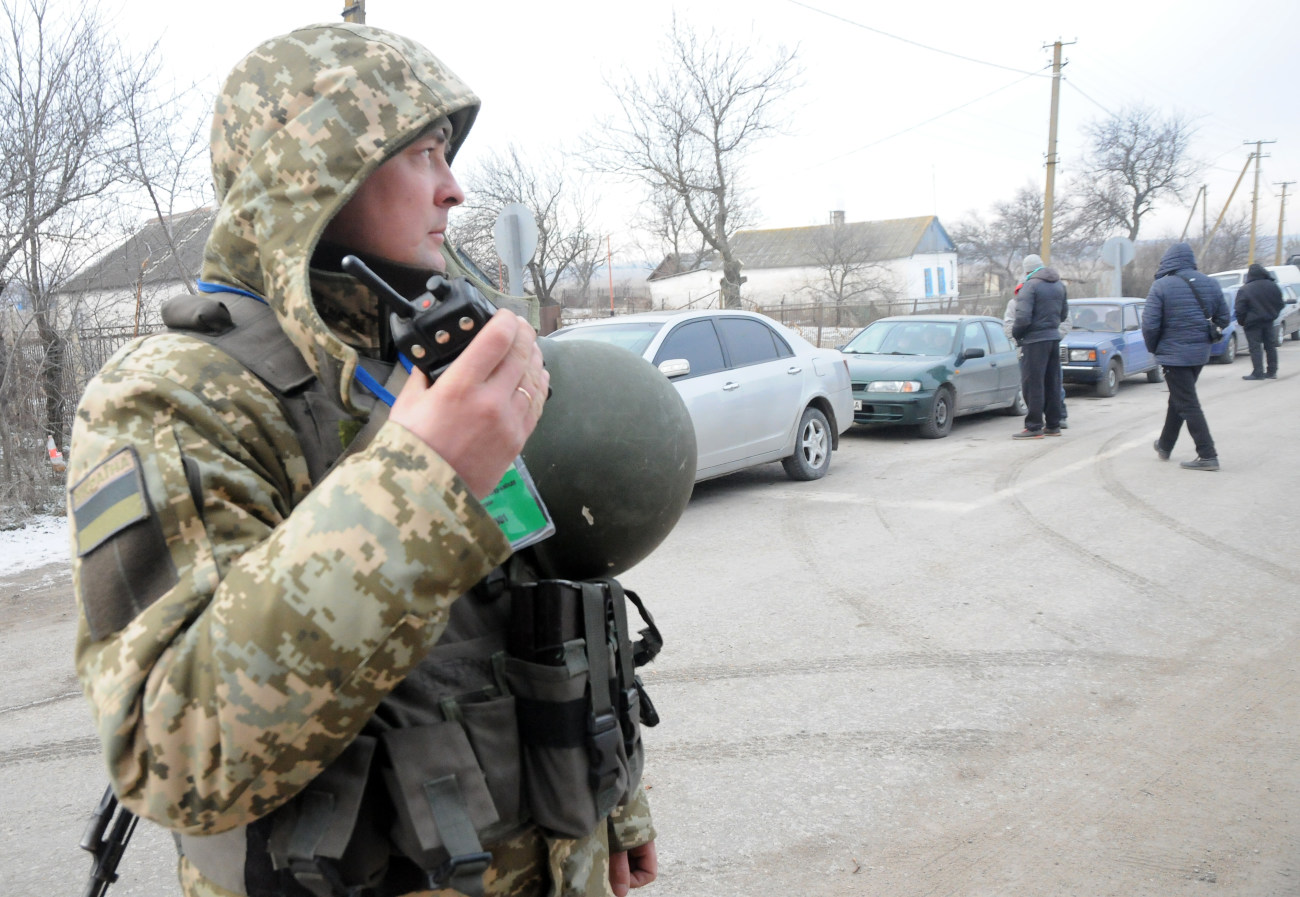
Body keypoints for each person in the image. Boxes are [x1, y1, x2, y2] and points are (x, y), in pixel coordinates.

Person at [66, 23, 657, 897]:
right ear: (317, 175)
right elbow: (174, 750)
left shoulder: (435, 348)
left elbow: (555, 596)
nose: (454, 190)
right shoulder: (177, 395)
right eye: (422, 153)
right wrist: (423, 483)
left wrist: (616, 801)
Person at [1142, 242, 1229, 471]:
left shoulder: (1161, 286)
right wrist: (1205, 337)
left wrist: (1155, 349)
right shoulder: (1211, 283)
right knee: (1179, 398)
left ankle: (1207, 454)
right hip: (1200, 354)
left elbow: (1150, 325)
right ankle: (1165, 444)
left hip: (1173, 355)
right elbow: (1224, 318)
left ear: (1167, 261)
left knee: (1187, 403)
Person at [1010, 253, 1068, 438]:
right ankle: (1053, 425)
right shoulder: (1059, 285)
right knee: (1052, 382)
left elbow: (1022, 317)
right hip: (1053, 338)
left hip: (1034, 341)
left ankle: (1034, 426)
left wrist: (1017, 335)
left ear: (1027, 270)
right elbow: (1064, 314)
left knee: (1033, 384)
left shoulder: (1030, 286)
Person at [1234, 262, 1284, 380]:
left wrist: (1243, 321)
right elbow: (1280, 303)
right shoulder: (1272, 286)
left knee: (1255, 347)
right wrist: (1273, 314)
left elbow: (1239, 309)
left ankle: (1258, 372)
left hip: (1252, 323)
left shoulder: (1245, 289)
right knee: (1270, 346)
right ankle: (1272, 371)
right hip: (1269, 321)